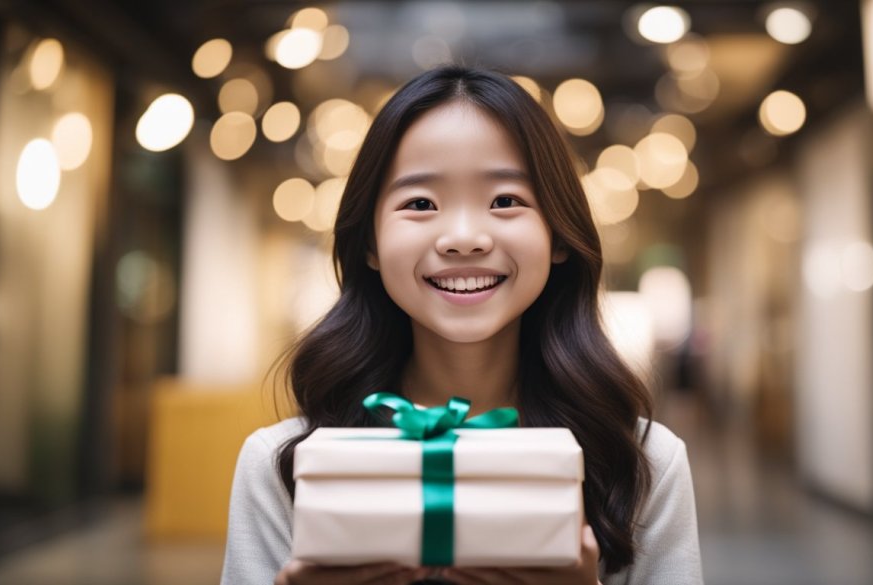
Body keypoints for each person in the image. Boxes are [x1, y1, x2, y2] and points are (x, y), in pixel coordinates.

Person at [221, 65, 703, 585]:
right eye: (420, 203)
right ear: (369, 244)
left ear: (559, 235)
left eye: (506, 201)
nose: (464, 237)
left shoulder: (641, 461)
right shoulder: (285, 465)